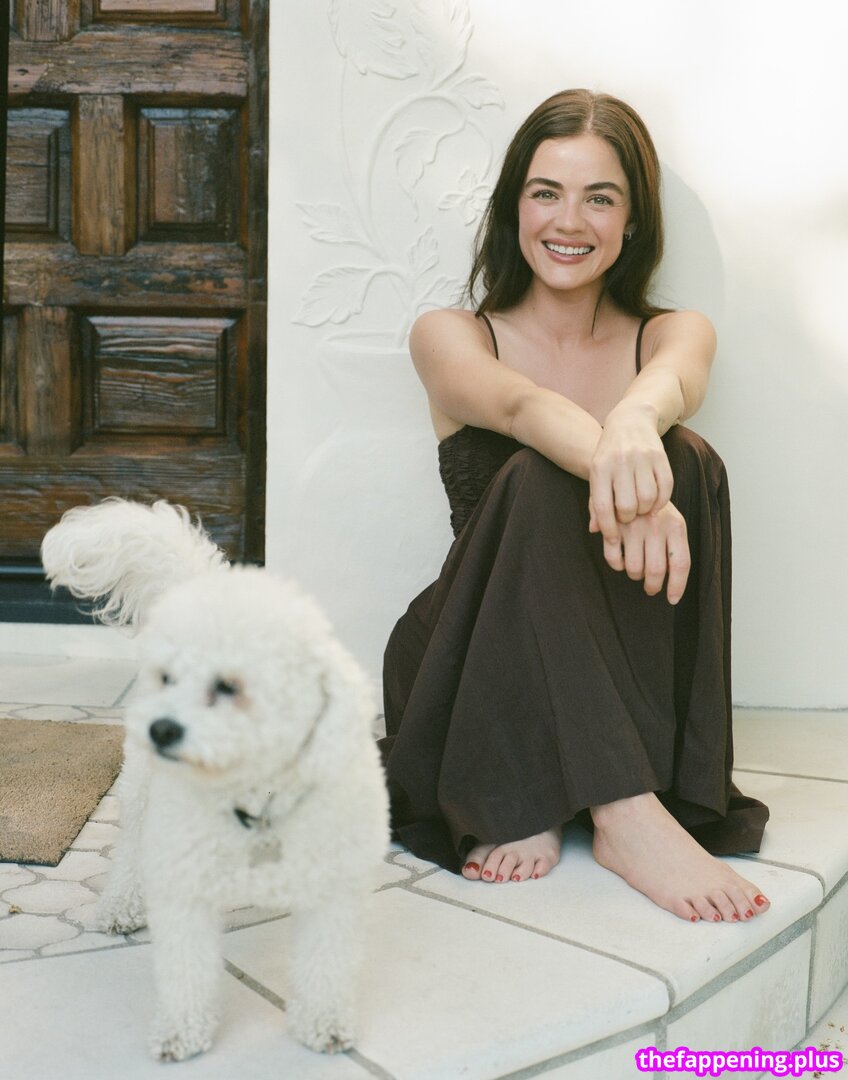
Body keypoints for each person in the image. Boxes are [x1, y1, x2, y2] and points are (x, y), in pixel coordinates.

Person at [379, 89, 770, 924]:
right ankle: (615, 806)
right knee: (538, 470)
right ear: (513, 207)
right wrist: (624, 474)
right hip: (475, 657)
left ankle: (584, 789)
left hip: (626, 662)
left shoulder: (670, 331)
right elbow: (522, 408)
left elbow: (676, 380)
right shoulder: (451, 334)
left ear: (632, 221)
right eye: (545, 192)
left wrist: (634, 426)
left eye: (600, 197)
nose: (569, 220)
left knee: (687, 456)